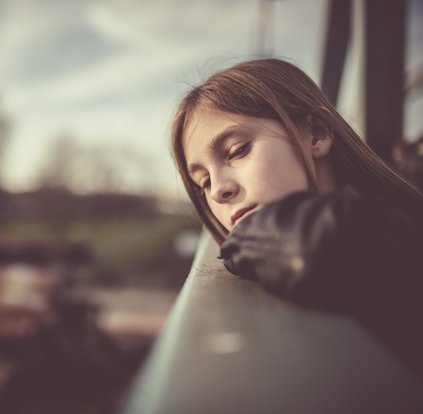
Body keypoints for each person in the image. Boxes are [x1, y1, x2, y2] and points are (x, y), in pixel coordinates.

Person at [171, 58, 423, 378]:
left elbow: (340, 242)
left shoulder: (405, 229)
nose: (218, 190)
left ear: (316, 133)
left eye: (237, 151)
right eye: (203, 182)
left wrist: (253, 236)